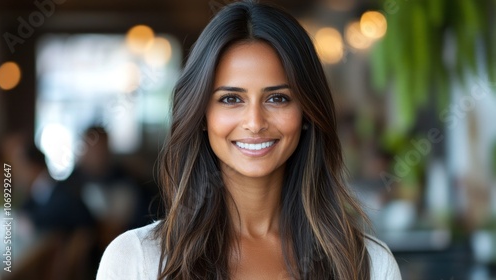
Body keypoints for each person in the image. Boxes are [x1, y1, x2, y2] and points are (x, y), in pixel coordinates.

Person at [97, 1, 402, 279]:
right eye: (231, 99)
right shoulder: (136, 260)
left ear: (307, 112)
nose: (255, 123)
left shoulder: (368, 264)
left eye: (278, 98)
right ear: (202, 114)